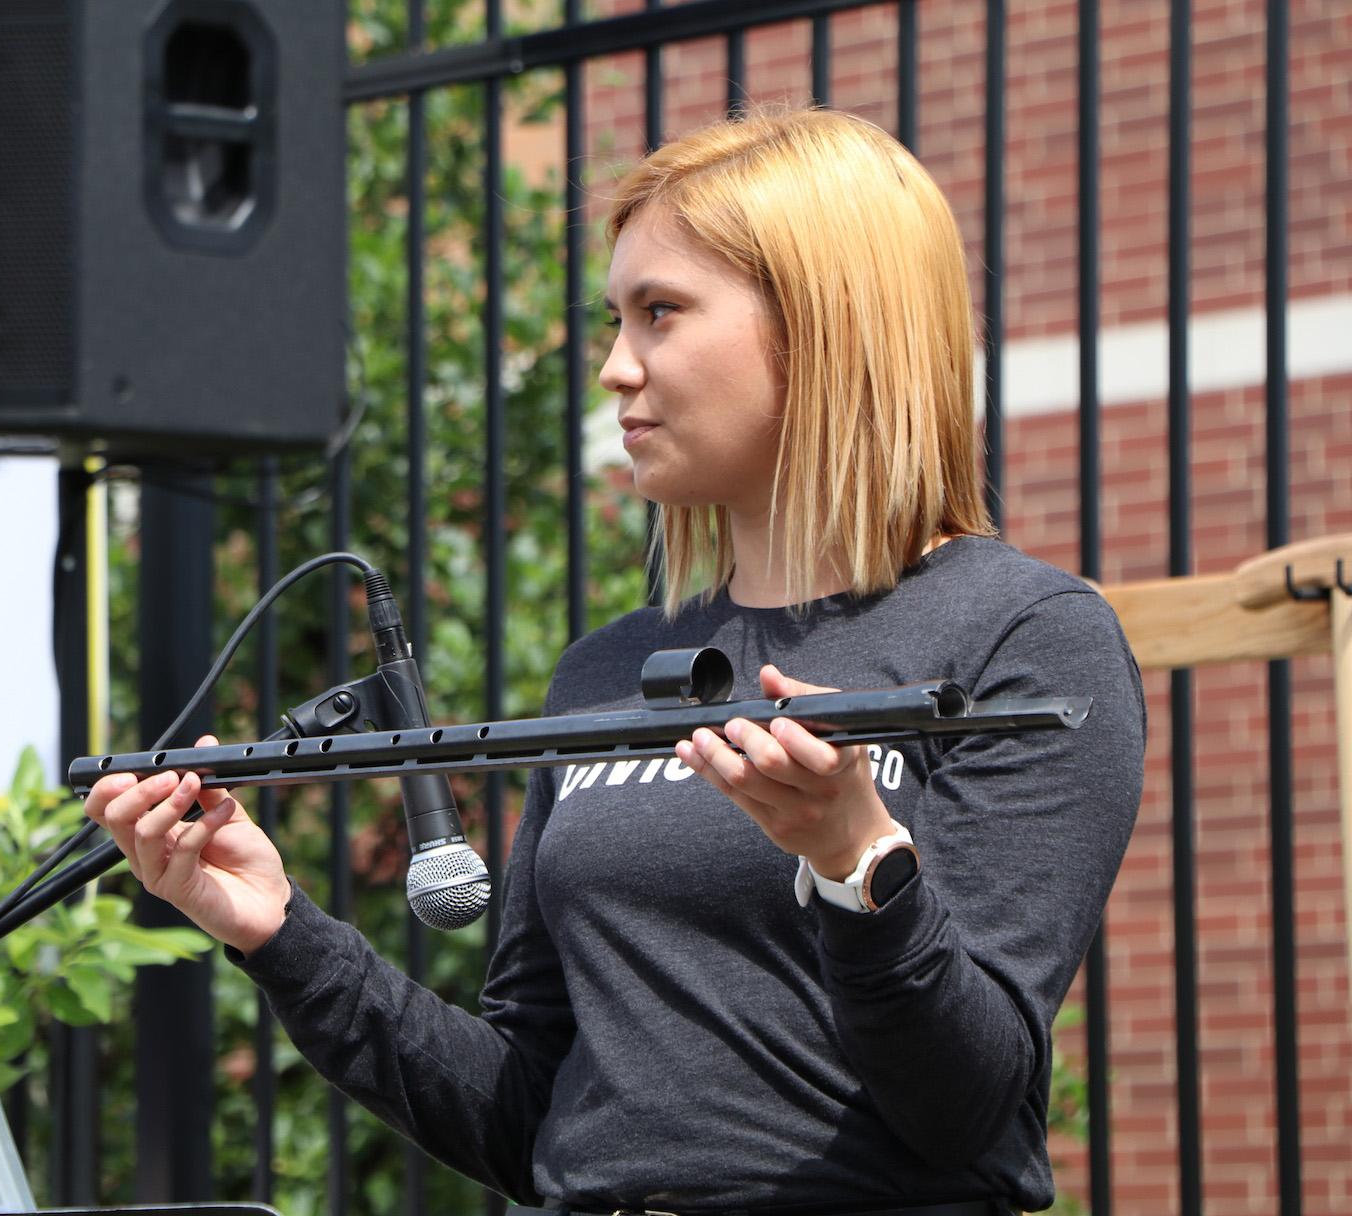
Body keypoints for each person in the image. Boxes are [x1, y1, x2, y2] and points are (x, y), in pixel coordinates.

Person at [83, 106, 1145, 1216]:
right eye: (614, 318)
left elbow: (961, 1107)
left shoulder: (1023, 634)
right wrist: (275, 927)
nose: (613, 368)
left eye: (661, 314)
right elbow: (527, 1113)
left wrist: (857, 863)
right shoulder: (612, 667)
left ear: (826, 325)